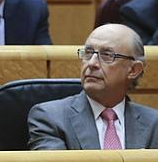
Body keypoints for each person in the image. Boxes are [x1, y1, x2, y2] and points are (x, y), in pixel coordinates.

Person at [28, 24, 158, 150]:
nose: (91, 63)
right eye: (88, 53)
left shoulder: (154, 124)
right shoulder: (51, 118)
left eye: (107, 55)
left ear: (133, 70)